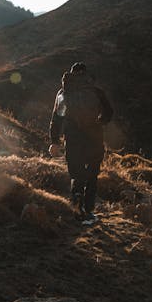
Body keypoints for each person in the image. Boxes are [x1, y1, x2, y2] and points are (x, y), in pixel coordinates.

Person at [49, 62, 113, 224]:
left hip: (72, 138)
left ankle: (77, 206)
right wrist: (99, 122)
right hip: (94, 137)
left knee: (76, 174)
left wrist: (55, 141)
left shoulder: (63, 93)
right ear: (86, 74)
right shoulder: (96, 91)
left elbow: (57, 118)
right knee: (92, 174)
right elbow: (109, 113)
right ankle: (89, 211)